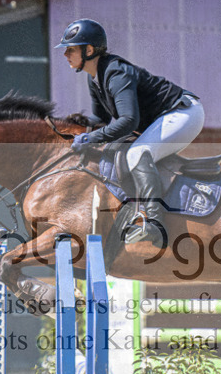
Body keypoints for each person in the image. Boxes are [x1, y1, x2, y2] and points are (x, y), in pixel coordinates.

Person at [57, 18, 204, 248]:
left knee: (137, 153)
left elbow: (128, 120)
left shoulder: (116, 73)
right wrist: (70, 130)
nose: (65, 54)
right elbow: (101, 120)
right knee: (128, 150)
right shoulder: (94, 78)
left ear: (89, 50)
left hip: (183, 113)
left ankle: (155, 223)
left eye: (71, 49)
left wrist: (90, 138)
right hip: (167, 117)